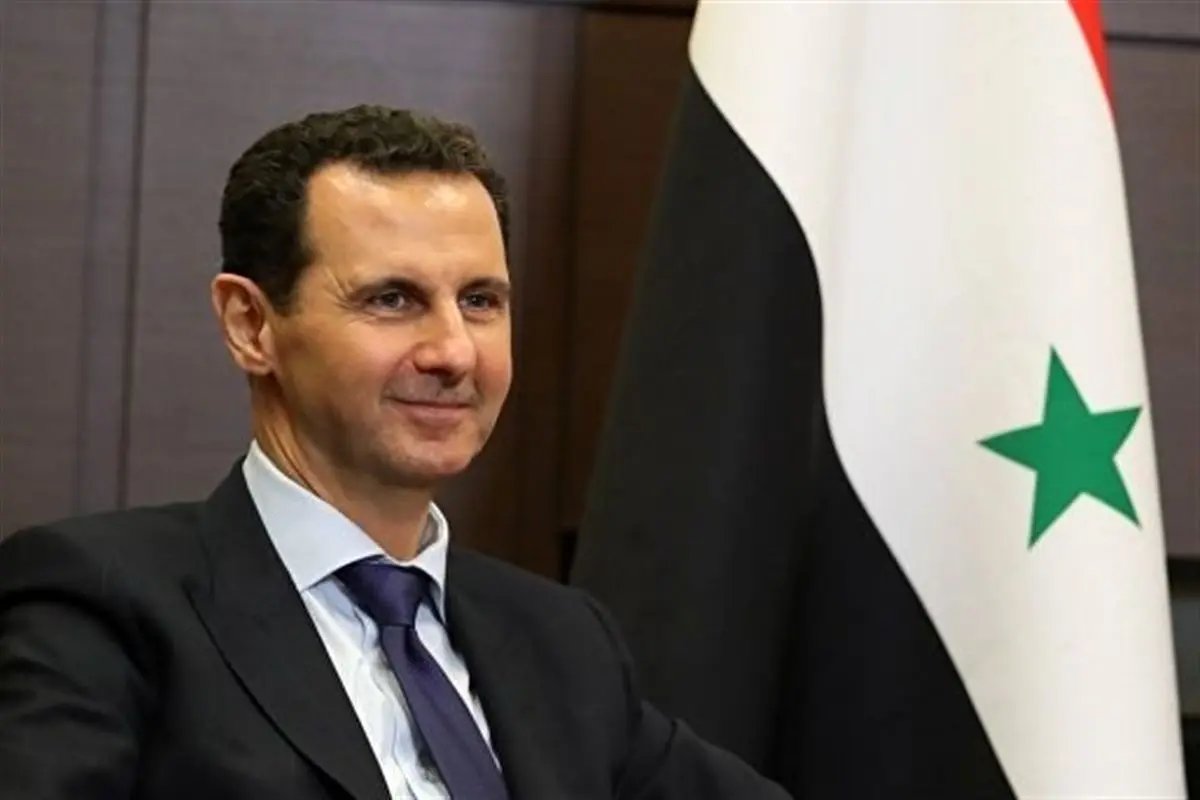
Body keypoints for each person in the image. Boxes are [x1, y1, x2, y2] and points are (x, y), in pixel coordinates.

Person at [0, 105, 790, 800]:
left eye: (480, 301)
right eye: (392, 299)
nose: (454, 351)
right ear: (250, 325)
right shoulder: (102, 605)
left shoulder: (561, 641)